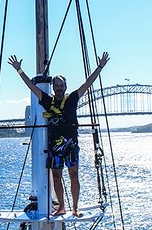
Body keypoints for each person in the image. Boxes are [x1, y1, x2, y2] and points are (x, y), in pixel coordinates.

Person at [8, 52, 109, 217]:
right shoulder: (48, 101)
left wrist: (100, 67)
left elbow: (87, 83)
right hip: (55, 146)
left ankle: (74, 208)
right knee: (56, 176)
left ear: (65, 87)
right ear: (53, 88)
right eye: (56, 86)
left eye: (61, 85)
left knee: (74, 175)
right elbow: (32, 87)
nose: (59, 88)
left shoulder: (72, 99)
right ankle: (61, 206)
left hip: (71, 145)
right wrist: (19, 70)